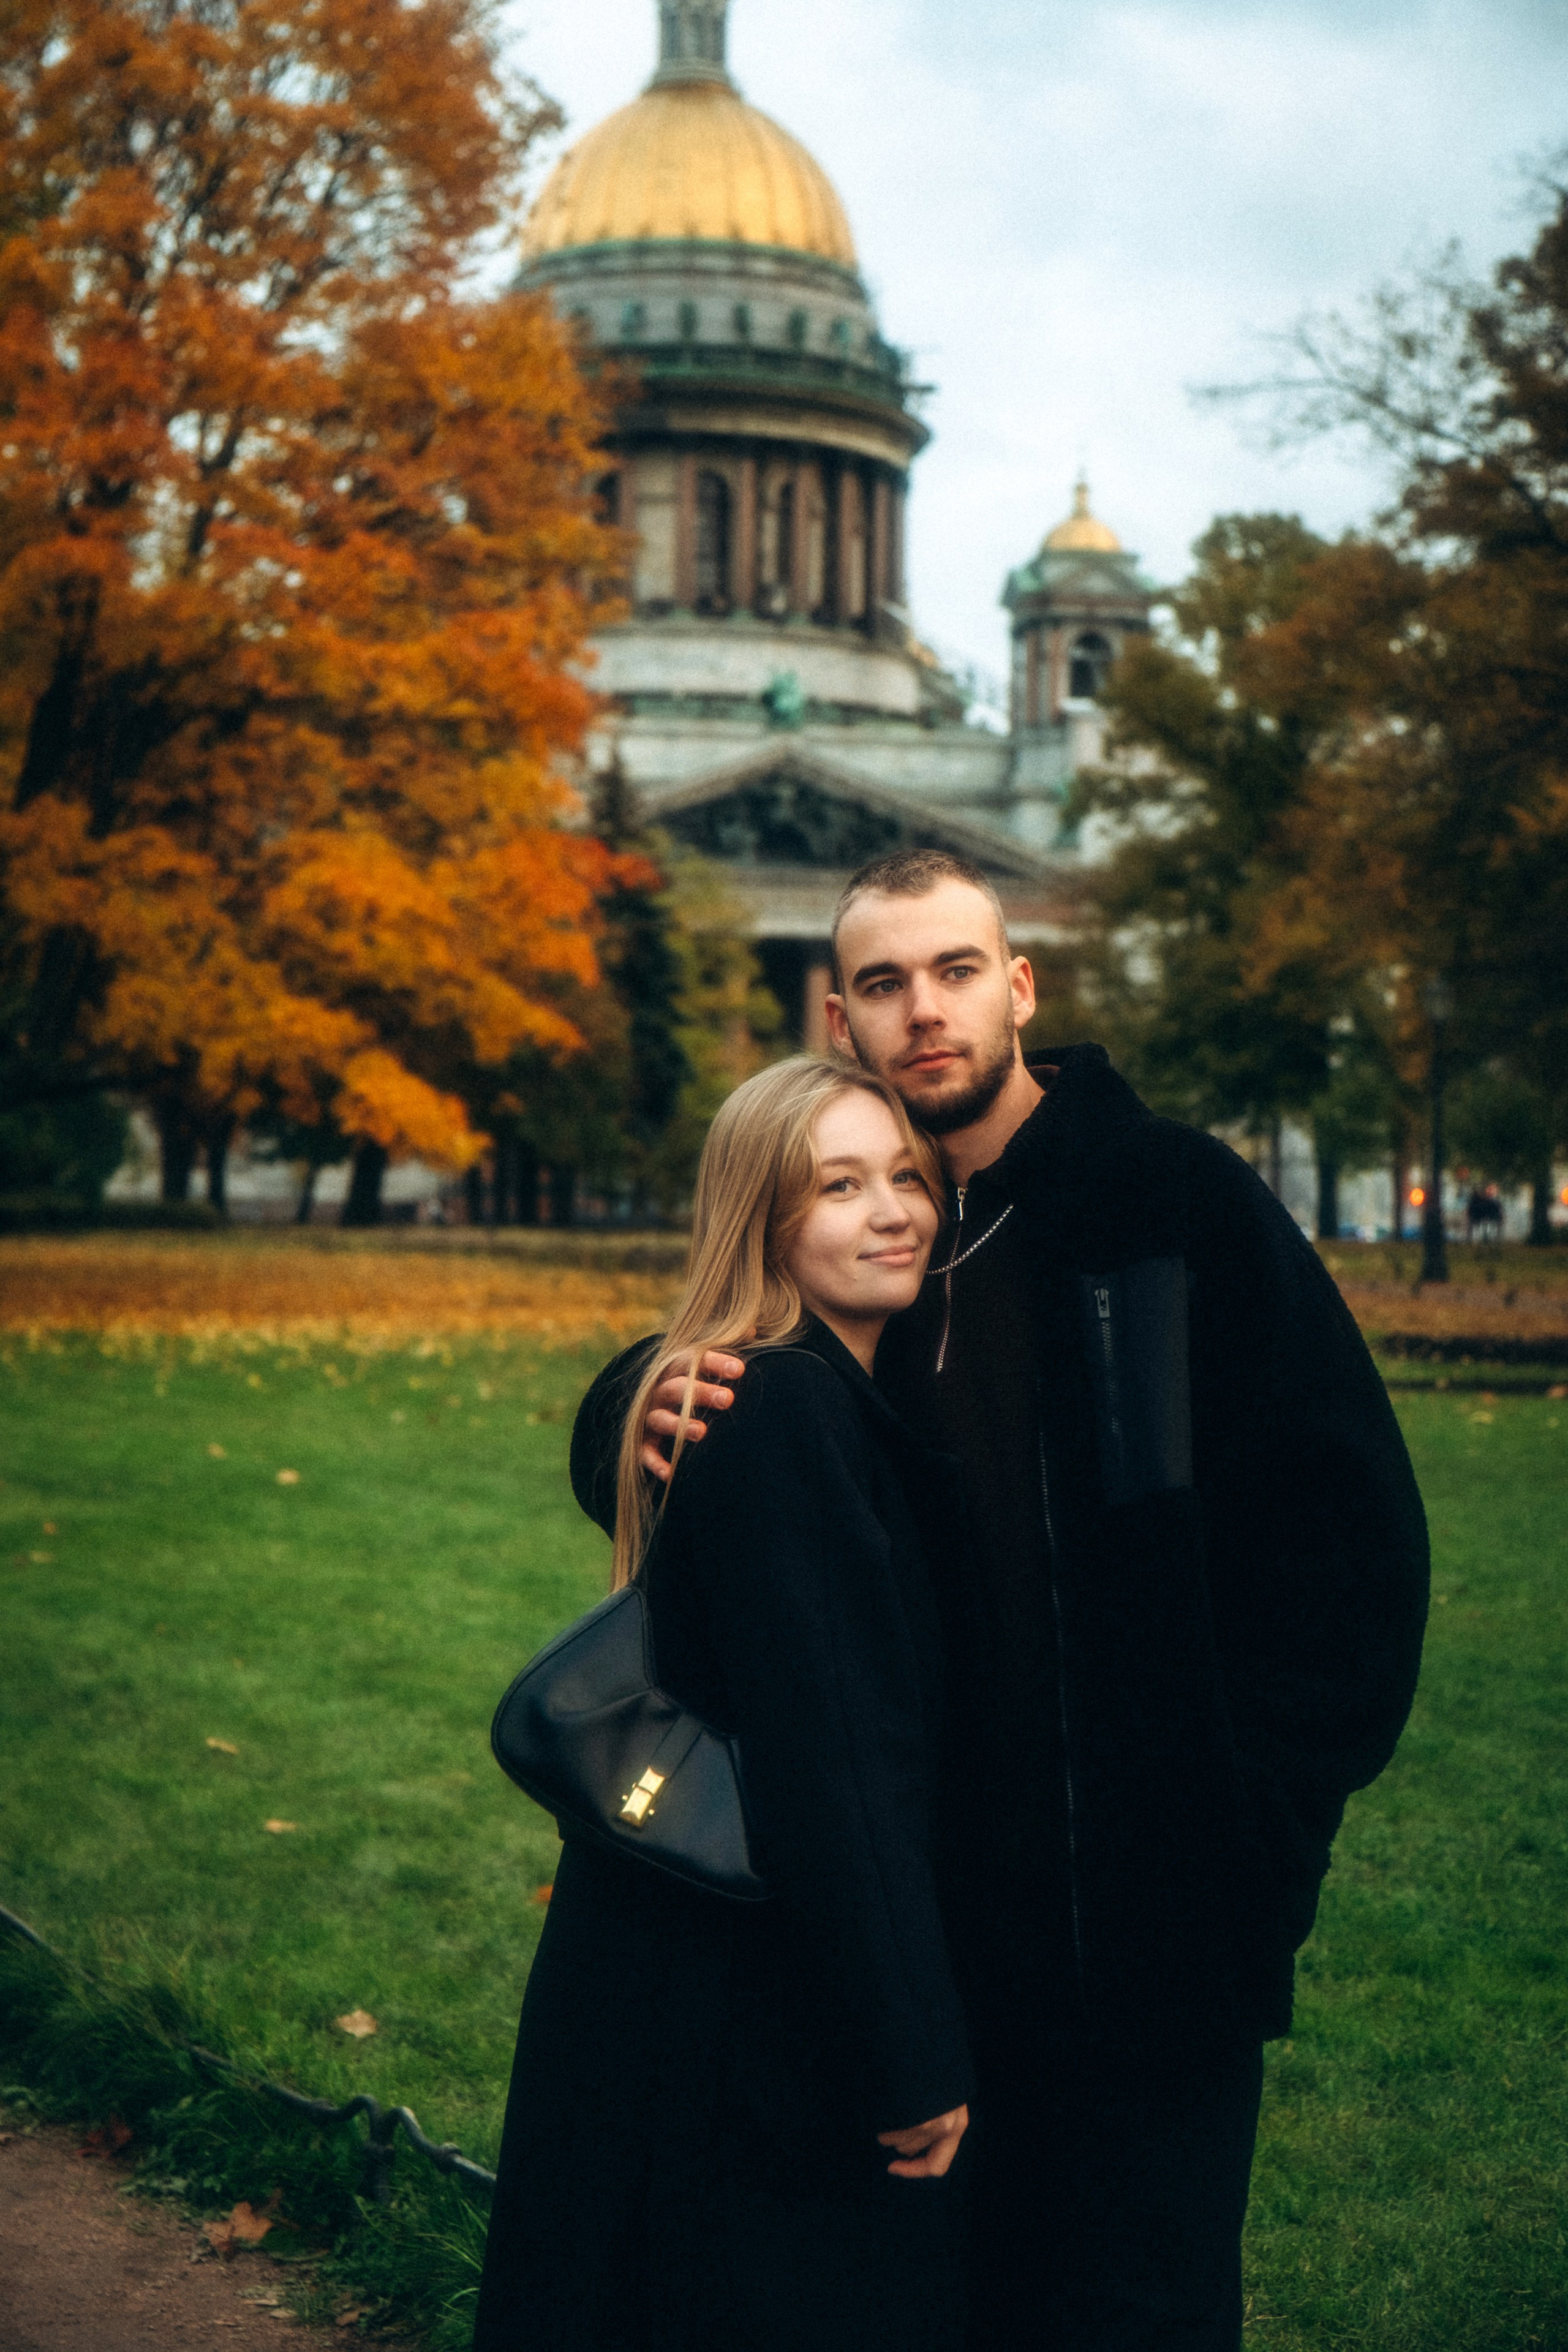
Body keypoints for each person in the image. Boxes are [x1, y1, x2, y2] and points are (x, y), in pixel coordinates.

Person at [571, 848, 1430, 2352]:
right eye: (885, 984)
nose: (925, 1012)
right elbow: (742, 1376)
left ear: (1018, 987)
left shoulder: (1168, 1204)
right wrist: (621, 1410)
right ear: (840, 1021)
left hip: (1151, 1935)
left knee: (1135, 2309)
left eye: (955, 971)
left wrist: (1251, 1838)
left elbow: (1350, 1554)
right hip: (938, 1931)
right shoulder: (877, 1239)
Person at [473, 1055, 977, 2352]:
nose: (891, 1211)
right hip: (734, 2001)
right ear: (764, 1218)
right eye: (840, 1186)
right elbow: (835, 1758)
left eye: (905, 1178)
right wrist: (910, 2050)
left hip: (680, 1962)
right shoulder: (783, 1407)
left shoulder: (807, 1393)